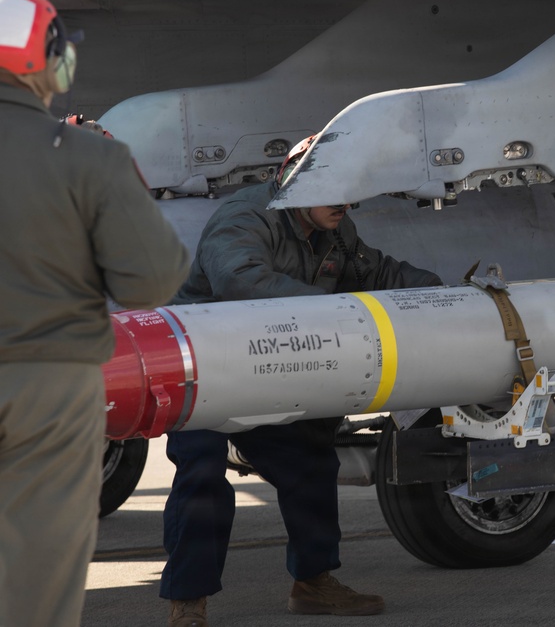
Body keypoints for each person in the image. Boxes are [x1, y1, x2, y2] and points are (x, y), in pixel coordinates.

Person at [160, 135, 443, 626]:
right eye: (333, 188)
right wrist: (331, 309)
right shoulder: (246, 217)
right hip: (208, 370)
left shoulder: (334, 228)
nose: (345, 201)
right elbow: (239, 280)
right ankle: (189, 601)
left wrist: (444, 296)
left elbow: (377, 272)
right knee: (201, 475)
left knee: (310, 461)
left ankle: (313, 583)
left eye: (349, 191)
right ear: (295, 181)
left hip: (269, 368)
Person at [0, 0, 190, 627]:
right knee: (38, 575)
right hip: (47, 393)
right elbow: (151, 284)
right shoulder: (87, 156)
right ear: (49, 64)